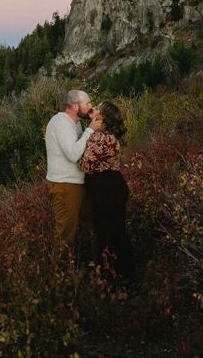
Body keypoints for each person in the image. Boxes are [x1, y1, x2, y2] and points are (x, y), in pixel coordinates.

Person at [79, 101, 135, 282]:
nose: (93, 108)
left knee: (108, 235)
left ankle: (115, 279)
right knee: (118, 233)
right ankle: (125, 275)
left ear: (101, 117)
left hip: (105, 189)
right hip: (113, 186)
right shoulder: (109, 135)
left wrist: (86, 134)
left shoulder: (99, 137)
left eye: (97, 108)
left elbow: (85, 165)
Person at [44, 89, 94, 257]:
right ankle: (61, 277)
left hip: (79, 183)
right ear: (75, 106)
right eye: (87, 103)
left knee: (93, 224)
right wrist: (90, 130)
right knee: (65, 236)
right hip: (65, 186)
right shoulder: (60, 123)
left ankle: (97, 268)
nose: (90, 106)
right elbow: (73, 154)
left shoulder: (76, 123)